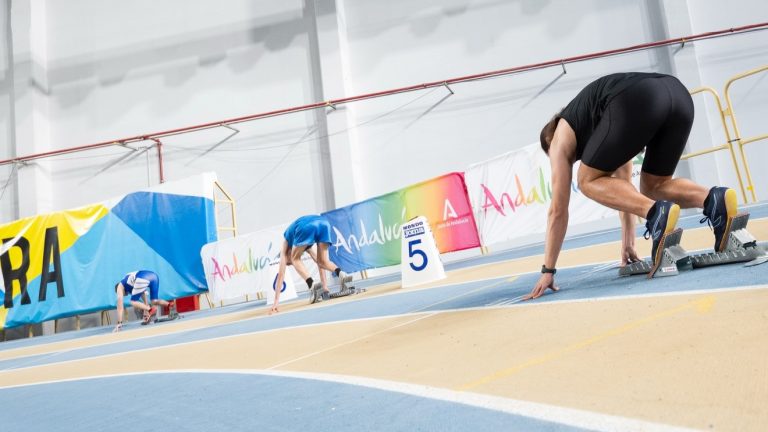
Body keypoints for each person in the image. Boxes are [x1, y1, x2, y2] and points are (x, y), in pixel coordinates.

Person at [525, 72, 738, 300]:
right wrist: (628, 242)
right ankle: (713, 199)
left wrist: (548, 270)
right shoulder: (600, 122)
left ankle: (657, 215)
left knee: (586, 180)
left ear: (549, 142)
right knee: (654, 186)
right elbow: (624, 187)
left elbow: (558, 210)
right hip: (678, 95)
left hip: (638, 99)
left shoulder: (557, 139)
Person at [271, 215, 348, 314]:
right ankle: (341, 274)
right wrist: (325, 288)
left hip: (305, 227)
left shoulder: (284, 247)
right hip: (324, 223)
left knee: (296, 259)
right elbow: (319, 263)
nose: (290, 264)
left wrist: (276, 302)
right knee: (323, 261)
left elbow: (281, 275)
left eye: (288, 263)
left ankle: (311, 284)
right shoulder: (303, 244)